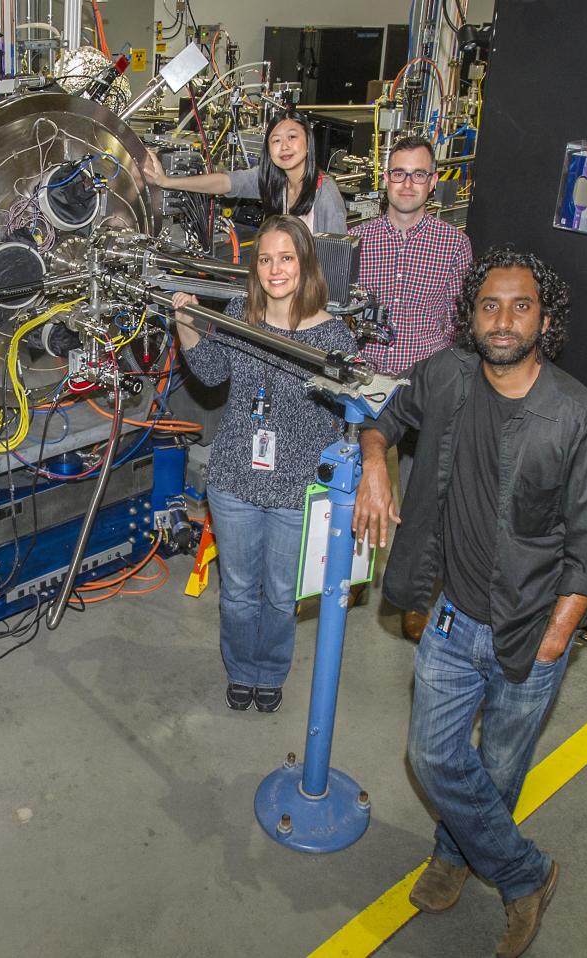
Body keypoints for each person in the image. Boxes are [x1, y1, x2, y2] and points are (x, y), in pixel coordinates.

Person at [352, 247, 587, 958]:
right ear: (470, 317)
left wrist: (557, 635)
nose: (503, 321)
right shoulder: (444, 377)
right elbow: (381, 411)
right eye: (489, 306)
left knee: (500, 768)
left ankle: (453, 854)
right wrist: (375, 461)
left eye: (520, 306)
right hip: (453, 618)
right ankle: (526, 874)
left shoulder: (578, 417)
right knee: (434, 757)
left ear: (545, 318)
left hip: (533, 630)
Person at [172, 214, 357, 713]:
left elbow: (347, 418)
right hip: (234, 480)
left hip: (296, 490)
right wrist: (186, 326)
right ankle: (240, 669)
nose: (276, 269)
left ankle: (269, 672)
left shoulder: (336, 339)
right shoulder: (239, 314)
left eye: (287, 258)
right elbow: (210, 373)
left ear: (305, 264)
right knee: (236, 592)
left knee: (279, 595)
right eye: (267, 259)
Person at [351, 133, 474, 641]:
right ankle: (351, 575)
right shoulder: (360, 240)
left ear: (433, 182)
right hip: (365, 379)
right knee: (354, 486)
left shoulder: (454, 244)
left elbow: (460, 323)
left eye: (419, 174)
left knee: (428, 496)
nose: (408, 183)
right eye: (399, 173)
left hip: (425, 384)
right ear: (385, 180)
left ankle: (414, 597)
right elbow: (341, 314)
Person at [142, 110, 348, 234]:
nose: (284, 146)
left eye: (292, 137)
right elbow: (226, 183)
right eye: (276, 140)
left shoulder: (325, 193)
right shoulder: (273, 180)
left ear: (308, 142)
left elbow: (337, 264)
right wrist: (167, 182)